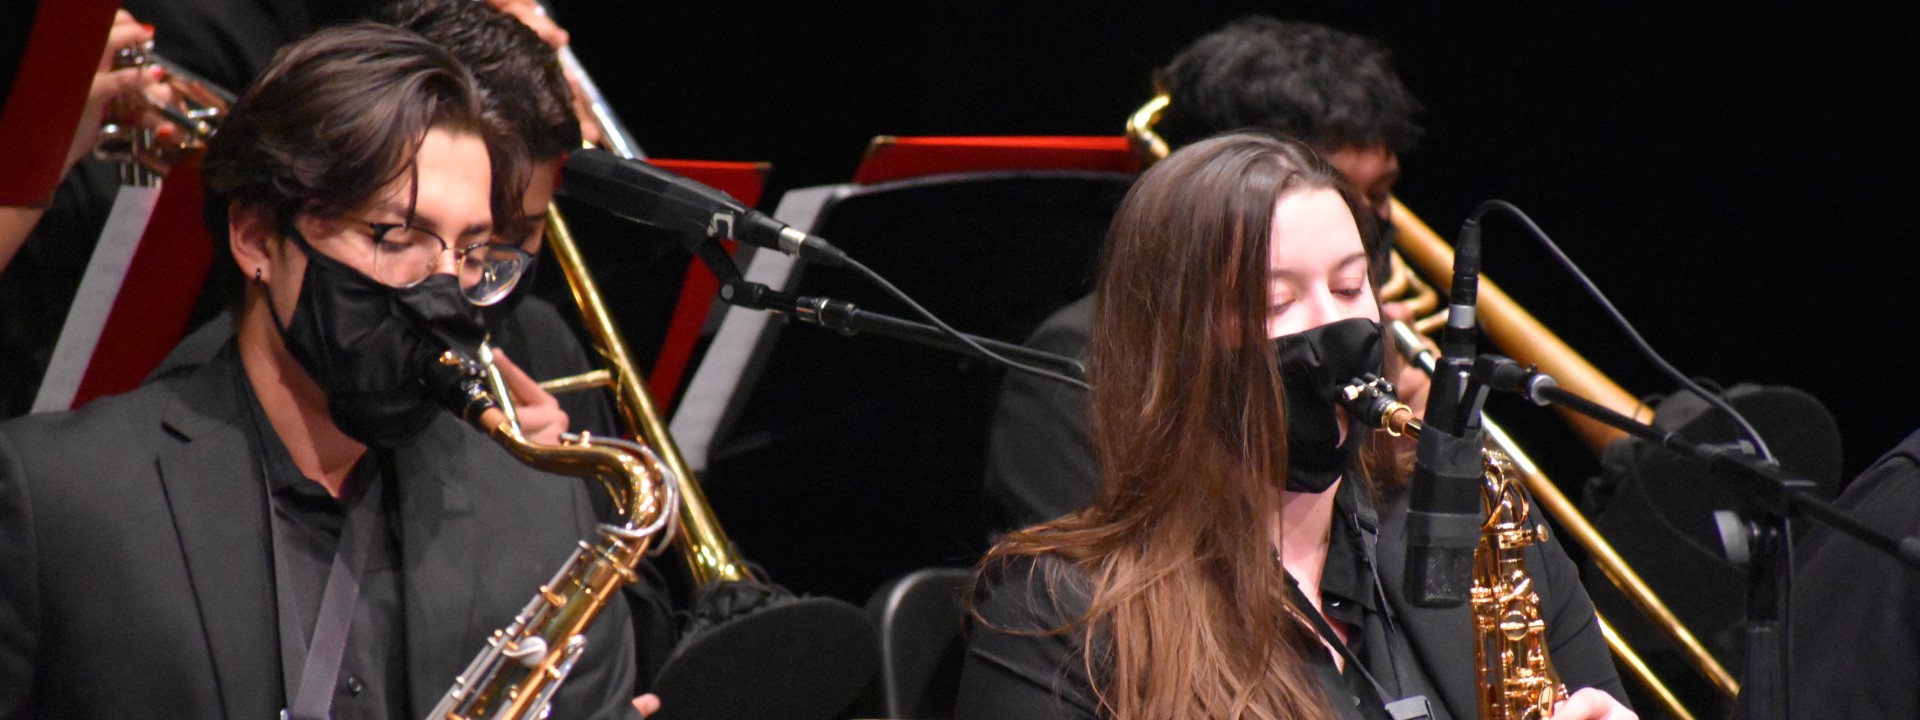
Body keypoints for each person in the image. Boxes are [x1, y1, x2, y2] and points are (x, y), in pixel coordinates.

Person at [0, 24, 649, 719]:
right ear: (257, 237)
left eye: (472, 251)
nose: (443, 290)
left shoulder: (543, 516)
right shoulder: (58, 500)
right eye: (397, 237)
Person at [955, 133, 1633, 720]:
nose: (1333, 327)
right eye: (1274, 301)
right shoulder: (1053, 613)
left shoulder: (1479, 521)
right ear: (1173, 347)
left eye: (1348, 288)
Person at [984, 15, 1427, 529]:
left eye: (1347, 288)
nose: (1360, 222)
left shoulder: (1375, 352)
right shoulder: (1073, 366)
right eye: (1276, 301)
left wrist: (1413, 468)